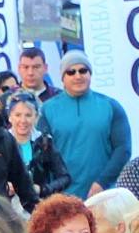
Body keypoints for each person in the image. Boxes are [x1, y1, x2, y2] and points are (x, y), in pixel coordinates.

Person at [40, 51, 130, 198]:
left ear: (90, 74)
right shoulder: (47, 110)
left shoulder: (111, 106)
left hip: (103, 195)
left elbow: (123, 149)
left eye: (83, 70)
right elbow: (41, 155)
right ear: (63, 77)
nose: (78, 76)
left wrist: (102, 183)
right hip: (62, 197)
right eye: (71, 72)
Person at [5, 91, 71, 201]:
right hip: (7, 205)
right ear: (10, 117)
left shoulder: (44, 142)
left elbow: (65, 178)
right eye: (18, 115)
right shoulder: (0, 142)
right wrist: (5, 186)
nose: (23, 120)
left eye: (28, 115)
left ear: (36, 117)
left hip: (38, 204)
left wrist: (42, 189)